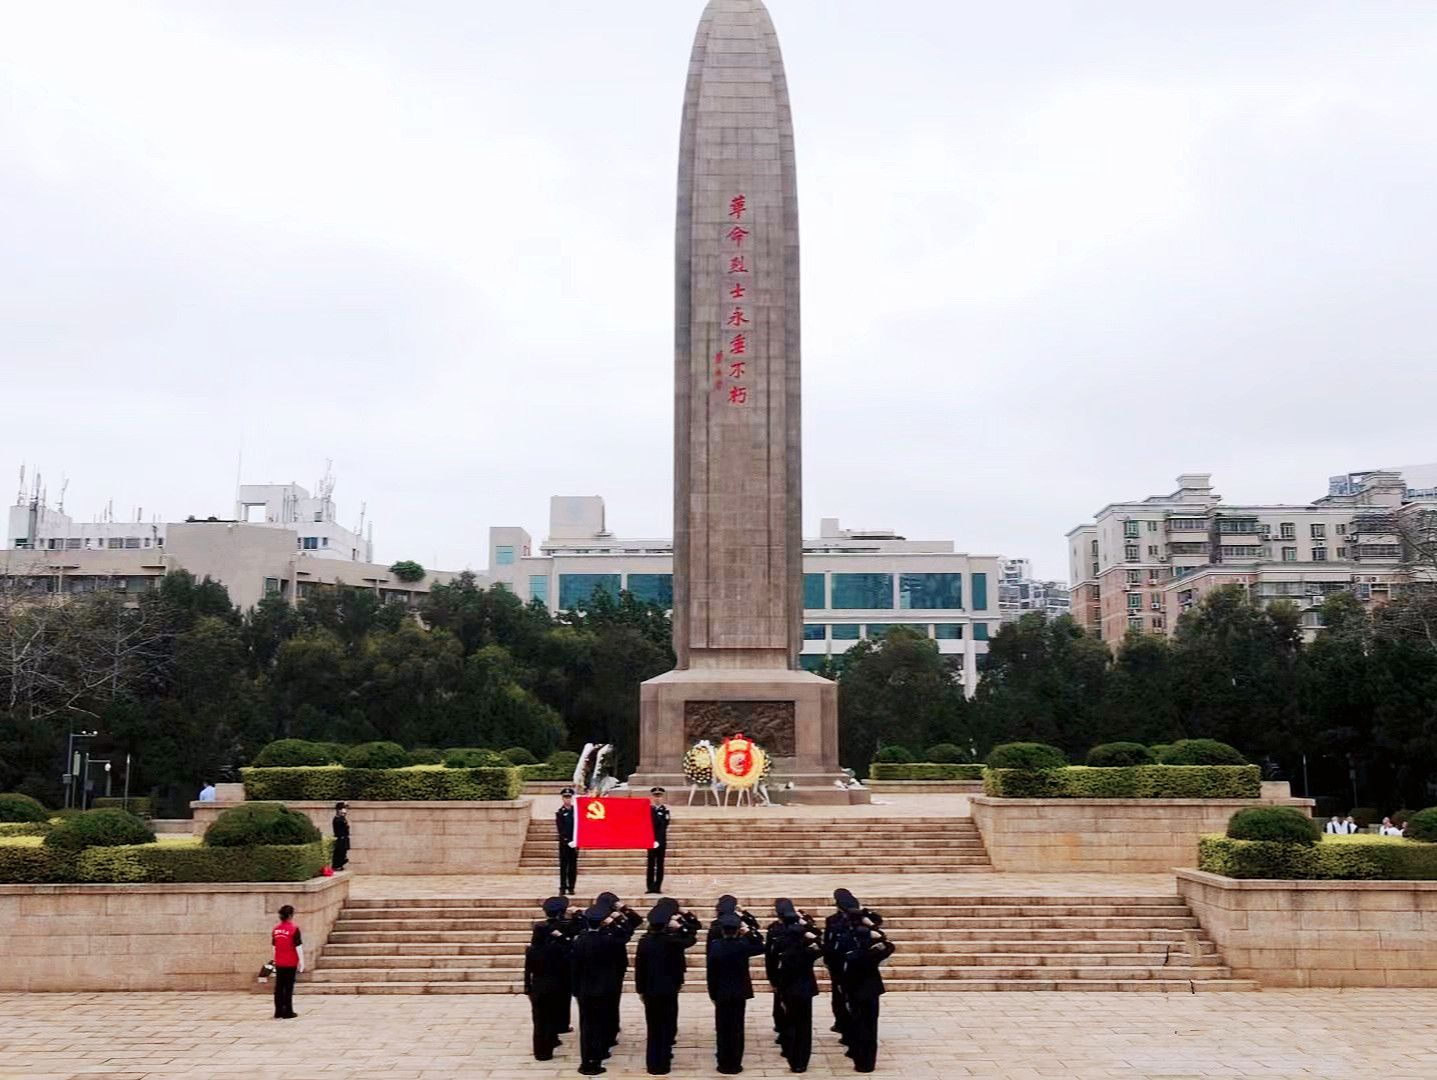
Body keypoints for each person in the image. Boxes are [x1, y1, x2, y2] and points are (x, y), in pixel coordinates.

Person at [635, 897, 701, 1075]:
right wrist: (681, 926)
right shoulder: (672, 941)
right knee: (665, 1025)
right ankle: (663, 1063)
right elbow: (691, 938)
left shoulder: (644, 942)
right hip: (669, 988)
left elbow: (639, 968)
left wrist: (640, 989)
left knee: (653, 1027)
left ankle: (653, 1064)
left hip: (650, 989)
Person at [571, 899, 628, 1076]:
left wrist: (575, 990)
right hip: (605, 988)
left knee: (587, 1026)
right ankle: (599, 1056)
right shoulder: (610, 941)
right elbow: (627, 933)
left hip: (585, 990)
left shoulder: (579, 941)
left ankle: (586, 1061)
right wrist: (616, 921)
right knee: (601, 1023)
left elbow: (574, 968)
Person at [707, 911, 765, 1075]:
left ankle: (724, 1062)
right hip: (740, 992)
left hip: (722, 993)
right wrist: (748, 931)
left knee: (723, 1028)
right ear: (737, 930)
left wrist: (713, 994)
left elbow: (711, 974)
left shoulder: (716, 946)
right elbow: (761, 946)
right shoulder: (743, 945)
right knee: (737, 1028)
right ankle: (735, 1062)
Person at [823, 889, 883, 1045]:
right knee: (842, 998)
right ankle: (845, 1026)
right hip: (844, 965)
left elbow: (878, 927)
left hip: (851, 965)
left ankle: (849, 1030)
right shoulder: (835, 920)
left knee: (847, 999)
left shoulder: (860, 919)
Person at [771, 899, 822, 1073]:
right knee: (805, 1025)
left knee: (790, 1023)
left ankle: (793, 1058)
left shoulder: (785, 953)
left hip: (789, 990)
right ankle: (803, 1060)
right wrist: (807, 928)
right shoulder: (809, 951)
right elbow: (822, 945)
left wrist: (775, 983)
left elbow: (772, 959)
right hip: (806, 989)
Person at [525, 896, 576, 1061]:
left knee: (539, 1020)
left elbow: (527, 970)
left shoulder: (532, 950)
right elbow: (570, 947)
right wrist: (561, 937)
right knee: (550, 1017)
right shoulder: (555, 949)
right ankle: (548, 1047)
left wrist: (527, 987)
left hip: (537, 986)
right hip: (555, 984)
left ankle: (541, 1050)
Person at [840, 924, 895, 1074]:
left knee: (859, 1026)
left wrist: (844, 992)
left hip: (856, 994)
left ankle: (860, 1061)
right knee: (871, 1027)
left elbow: (846, 976)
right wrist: (878, 934)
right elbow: (890, 946)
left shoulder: (853, 955)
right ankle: (869, 1061)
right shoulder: (875, 953)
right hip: (871, 992)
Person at [597, 892, 643, 1057]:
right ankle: (609, 1032)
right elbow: (629, 930)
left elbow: (637, 922)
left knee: (610, 1000)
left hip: (613, 966)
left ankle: (611, 1029)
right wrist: (623, 913)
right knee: (610, 1000)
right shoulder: (603, 919)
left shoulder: (599, 916)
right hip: (609, 965)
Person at [271, 904, 304, 1020]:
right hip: (290, 962)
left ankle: (278, 1011)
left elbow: (274, 946)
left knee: (279, 987)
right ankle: (288, 1011)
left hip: (279, 961)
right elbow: (298, 946)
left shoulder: (275, 929)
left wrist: (275, 959)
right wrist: (301, 962)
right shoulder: (294, 929)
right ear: (290, 915)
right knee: (288, 987)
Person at [647, 787, 671, 895]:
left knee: (660, 864)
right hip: (650, 840)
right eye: (655, 796)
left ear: (663, 797)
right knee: (651, 864)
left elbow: (664, 825)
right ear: (652, 797)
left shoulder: (665, 811)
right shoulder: (648, 810)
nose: (657, 798)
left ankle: (658, 886)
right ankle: (650, 886)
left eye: (659, 796)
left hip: (661, 841)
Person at [557, 788, 579, 895]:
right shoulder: (560, 812)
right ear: (562, 798)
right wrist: (566, 840)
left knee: (573, 866)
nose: (567, 799)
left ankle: (571, 886)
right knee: (564, 865)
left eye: (569, 797)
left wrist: (576, 840)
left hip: (574, 843)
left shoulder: (576, 811)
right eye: (565, 797)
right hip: (564, 843)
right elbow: (560, 829)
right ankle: (562, 887)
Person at [331, 801, 351, 872]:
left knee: (344, 852)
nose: (345, 810)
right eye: (343, 808)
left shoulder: (342, 818)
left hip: (344, 837)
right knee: (339, 852)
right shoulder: (337, 819)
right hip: (340, 838)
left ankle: (340, 865)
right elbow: (340, 825)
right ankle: (337, 866)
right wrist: (342, 815)